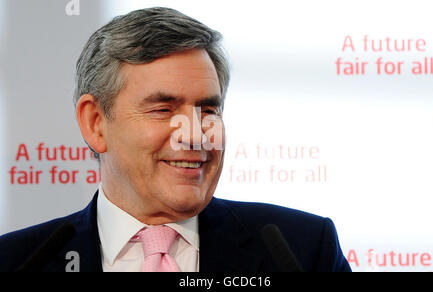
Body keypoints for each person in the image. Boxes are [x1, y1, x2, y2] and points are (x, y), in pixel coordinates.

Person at [0, 7, 350, 272]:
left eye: (208, 110)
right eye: (163, 109)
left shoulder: (301, 249)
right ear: (95, 122)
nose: (195, 135)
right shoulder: (18, 261)